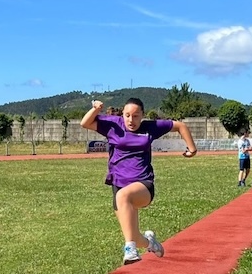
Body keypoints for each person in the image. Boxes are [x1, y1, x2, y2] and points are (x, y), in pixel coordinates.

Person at [80, 98, 198, 264]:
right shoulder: (113, 124)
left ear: (142, 115)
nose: (131, 120)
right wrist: (95, 109)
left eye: (136, 116)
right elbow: (85, 123)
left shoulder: (150, 127)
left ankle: (129, 250)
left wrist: (192, 149)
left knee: (123, 197)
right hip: (119, 183)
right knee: (133, 234)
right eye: (127, 115)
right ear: (122, 115)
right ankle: (151, 243)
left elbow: (180, 125)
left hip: (143, 183)